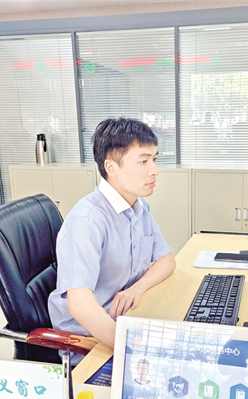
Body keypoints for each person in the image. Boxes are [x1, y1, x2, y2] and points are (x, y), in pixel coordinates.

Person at [48, 118, 176, 355]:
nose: (154, 170)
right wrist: (133, 351)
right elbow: (79, 305)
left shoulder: (139, 206)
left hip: (127, 318)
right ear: (112, 168)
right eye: (143, 161)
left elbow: (167, 261)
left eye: (154, 159)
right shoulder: (87, 221)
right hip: (90, 339)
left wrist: (136, 289)